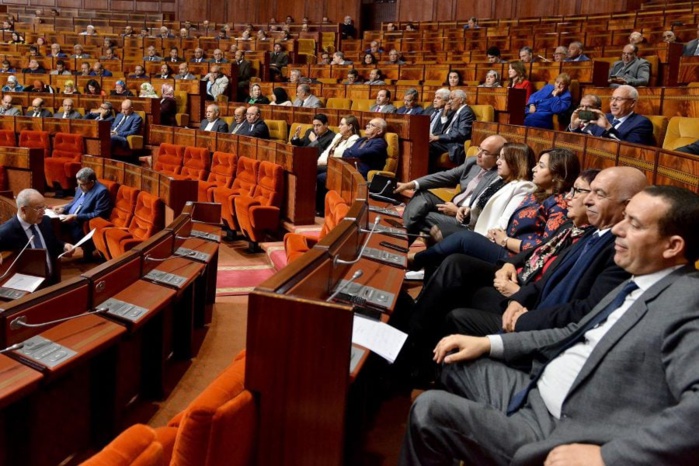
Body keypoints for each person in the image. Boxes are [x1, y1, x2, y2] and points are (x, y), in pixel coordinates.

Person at [401, 184, 699, 466]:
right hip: (534, 387)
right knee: (452, 357)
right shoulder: (640, 281)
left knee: (429, 410)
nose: (618, 229)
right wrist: (490, 343)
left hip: (564, 427)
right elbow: (576, 332)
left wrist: (611, 457)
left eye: (633, 224)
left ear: (672, 246)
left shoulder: (687, 298)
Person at [443, 166, 646, 340]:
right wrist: (517, 299)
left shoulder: (619, 250)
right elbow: (545, 276)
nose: (587, 201)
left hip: (545, 332)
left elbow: (586, 311)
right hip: (530, 302)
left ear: (626, 208)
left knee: (457, 313)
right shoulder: (592, 234)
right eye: (588, 192)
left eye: (599, 194)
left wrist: (522, 316)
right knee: (457, 277)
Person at [411, 148, 578, 270]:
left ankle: (415, 260)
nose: (534, 169)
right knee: (451, 255)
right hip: (500, 242)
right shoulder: (537, 194)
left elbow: (546, 247)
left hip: (515, 257)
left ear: (557, 175)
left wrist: (505, 240)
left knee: (464, 239)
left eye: (541, 166)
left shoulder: (559, 205)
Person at [396, 134, 504, 239]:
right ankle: (398, 239)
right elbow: (446, 176)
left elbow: (482, 213)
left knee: (418, 216)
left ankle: (398, 240)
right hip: (453, 205)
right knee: (422, 195)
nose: (479, 154)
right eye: (479, 149)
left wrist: (457, 211)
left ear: (498, 157)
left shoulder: (499, 177)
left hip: (465, 218)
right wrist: (410, 184)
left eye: (485, 152)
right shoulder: (473, 162)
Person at [0, 189, 74, 284]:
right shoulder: (6, 232)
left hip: (51, 282)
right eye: (38, 208)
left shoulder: (45, 221)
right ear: (23, 210)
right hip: (27, 287)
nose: (43, 212)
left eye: (44, 207)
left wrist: (64, 246)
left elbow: (53, 243)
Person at [52, 168, 110, 261]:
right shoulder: (81, 185)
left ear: (91, 182)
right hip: (68, 216)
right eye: (78, 183)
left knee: (55, 228)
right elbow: (75, 202)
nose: (79, 187)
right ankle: (54, 255)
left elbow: (99, 213)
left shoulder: (101, 192)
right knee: (49, 223)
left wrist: (76, 217)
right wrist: (64, 208)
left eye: (82, 184)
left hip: (80, 222)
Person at [569, 85, 655, 145]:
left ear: (632, 103)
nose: (613, 103)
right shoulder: (605, 116)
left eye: (619, 99)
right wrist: (574, 127)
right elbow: (588, 141)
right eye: (612, 99)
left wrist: (608, 127)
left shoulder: (642, 123)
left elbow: (631, 150)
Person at [429, 89, 476, 167]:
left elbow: (461, 133)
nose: (449, 102)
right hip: (446, 141)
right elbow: (444, 128)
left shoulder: (466, 112)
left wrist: (438, 137)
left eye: (452, 99)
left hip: (453, 144)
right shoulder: (456, 111)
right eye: (449, 99)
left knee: (429, 146)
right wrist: (445, 112)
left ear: (460, 100)